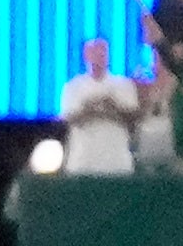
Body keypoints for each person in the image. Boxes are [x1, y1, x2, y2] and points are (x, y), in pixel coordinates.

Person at [58, 33, 142, 174]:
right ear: (86, 55)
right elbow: (69, 118)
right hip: (83, 162)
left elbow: (132, 117)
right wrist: (91, 108)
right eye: (94, 52)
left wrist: (111, 106)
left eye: (102, 51)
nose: (99, 56)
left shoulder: (124, 85)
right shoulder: (73, 86)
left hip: (116, 162)